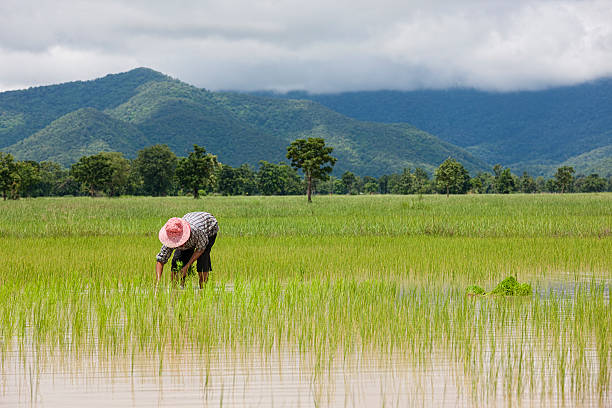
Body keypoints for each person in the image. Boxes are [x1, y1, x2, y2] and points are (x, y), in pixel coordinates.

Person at [156, 212, 219, 288]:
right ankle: (176, 289)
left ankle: (203, 288)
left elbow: (201, 249)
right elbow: (161, 259)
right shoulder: (170, 236)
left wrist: (187, 266)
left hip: (209, 228)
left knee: (203, 259)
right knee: (178, 259)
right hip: (192, 224)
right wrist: (158, 282)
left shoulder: (197, 231)